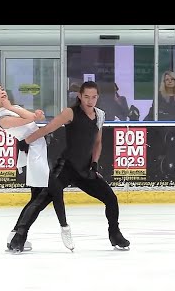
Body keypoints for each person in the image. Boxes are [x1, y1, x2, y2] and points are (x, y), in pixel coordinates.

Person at [12, 81, 130, 251]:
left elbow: (97, 143)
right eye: (87, 97)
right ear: (80, 96)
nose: (90, 101)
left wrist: (94, 165)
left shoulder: (100, 115)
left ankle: (115, 233)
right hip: (66, 168)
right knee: (41, 200)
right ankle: (20, 235)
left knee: (111, 199)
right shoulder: (70, 113)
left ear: (98, 97)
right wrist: (27, 141)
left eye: (94, 97)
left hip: (85, 170)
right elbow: (48, 128)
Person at [0, 83, 74, 253]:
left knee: (36, 199)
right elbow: (29, 119)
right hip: (34, 156)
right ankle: (64, 227)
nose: (2, 92)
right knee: (55, 190)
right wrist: (28, 114)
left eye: (2, 89)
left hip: (40, 150)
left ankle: (16, 236)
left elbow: (37, 118)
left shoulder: (12, 107)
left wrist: (30, 112)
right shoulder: (2, 119)